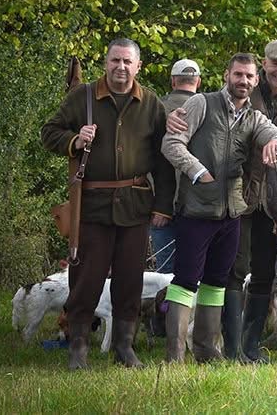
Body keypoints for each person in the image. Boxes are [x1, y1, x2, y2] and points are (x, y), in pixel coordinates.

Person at [165, 40, 277, 361]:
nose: (244, 81)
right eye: (238, 74)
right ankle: (175, 355)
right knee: (185, 281)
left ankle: (207, 351)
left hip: (231, 212)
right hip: (197, 209)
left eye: (249, 77)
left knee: (216, 281)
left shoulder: (254, 116)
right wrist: (197, 171)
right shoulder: (202, 103)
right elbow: (171, 143)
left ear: (255, 79)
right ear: (227, 75)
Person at [41, 38, 175, 370]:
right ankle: (78, 348)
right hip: (92, 207)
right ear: (106, 62)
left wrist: (163, 206)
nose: (121, 67)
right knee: (86, 280)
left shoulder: (151, 104)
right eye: (115, 60)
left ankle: (124, 348)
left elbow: (164, 160)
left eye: (128, 62)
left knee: (130, 281)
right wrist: (75, 140)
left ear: (138, 66)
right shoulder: (83, 97)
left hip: (135, 206)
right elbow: (49, 132)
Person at [152, 59, 202, 275]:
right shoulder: (210, 109)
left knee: (165, 275)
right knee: (196, 271)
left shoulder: (155, 108)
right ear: (198, 82)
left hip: (161, 206)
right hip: (199, 206)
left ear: (173, 81)